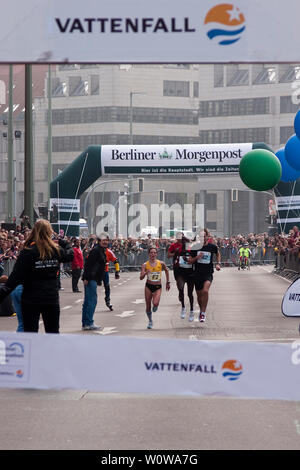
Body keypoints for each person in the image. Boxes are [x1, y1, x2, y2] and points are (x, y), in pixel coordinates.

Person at [0, 219, 74, 333]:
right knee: (53, 332)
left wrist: (3, 292)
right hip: (50, 297)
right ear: (49, 232)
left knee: (30, 333)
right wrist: (64, 242)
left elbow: (15, 278)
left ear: (34, 232)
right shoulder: (55, 250)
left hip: (31, 298)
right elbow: (70, 255)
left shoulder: (27, 252)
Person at [188, 229, 221, 323]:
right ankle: (202, 309)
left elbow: (218, 254)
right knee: (199, 295)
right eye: (201, 236)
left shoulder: (212, 247)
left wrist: (218, 264)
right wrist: (197, 257)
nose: (203, 238)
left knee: (205, 291)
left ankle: (203, 312)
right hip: (197, 274)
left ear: (208, 236)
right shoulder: (195, 247)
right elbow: (190, 261)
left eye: (204, 236)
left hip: (208, 273)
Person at [81, 233, 107, 330]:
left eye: (106, 240)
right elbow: (88, 264)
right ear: (99, 241)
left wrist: (99, 280)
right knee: (91, 301)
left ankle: (85, 323)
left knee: (88, 301)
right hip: (90, 278)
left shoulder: (101, 251)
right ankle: (89, 322)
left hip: (93, 278)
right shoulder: (96, 251)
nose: (105, 242)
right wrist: (86, 278)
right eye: (103, 240)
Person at [140, 245, 170, 329]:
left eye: (154, 253)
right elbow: (141, 278)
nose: (153, 254)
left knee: (155, 303)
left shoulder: (161, 263)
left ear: (156, 254)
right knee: (148, 306)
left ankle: (156, 306)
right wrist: (146, 273)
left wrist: (168, 282)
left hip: (158, 286)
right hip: (148, 286)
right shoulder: (145, 265)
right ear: (149, 254)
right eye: (151, 253)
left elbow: (167, 270)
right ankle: (150, 321)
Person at [167, 232, 195, 321]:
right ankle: (183, 307)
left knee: (190, 293)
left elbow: (195, 257)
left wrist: (190, 259)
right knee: (180, 287)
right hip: (179, 270)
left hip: (190, 272)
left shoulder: (191, 247)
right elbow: (168, 255)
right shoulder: (175, 246)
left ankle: (191, 311)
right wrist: (175, 254)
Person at [103, 244, 120, 311]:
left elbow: (115, 261)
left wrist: (117, 271)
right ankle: (87, 302)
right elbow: (88, 259)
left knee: (107, 286)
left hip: (105, 271)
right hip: (96, 272)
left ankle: (107, 300)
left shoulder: (109, 252)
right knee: (92, 287)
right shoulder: (95, 250)